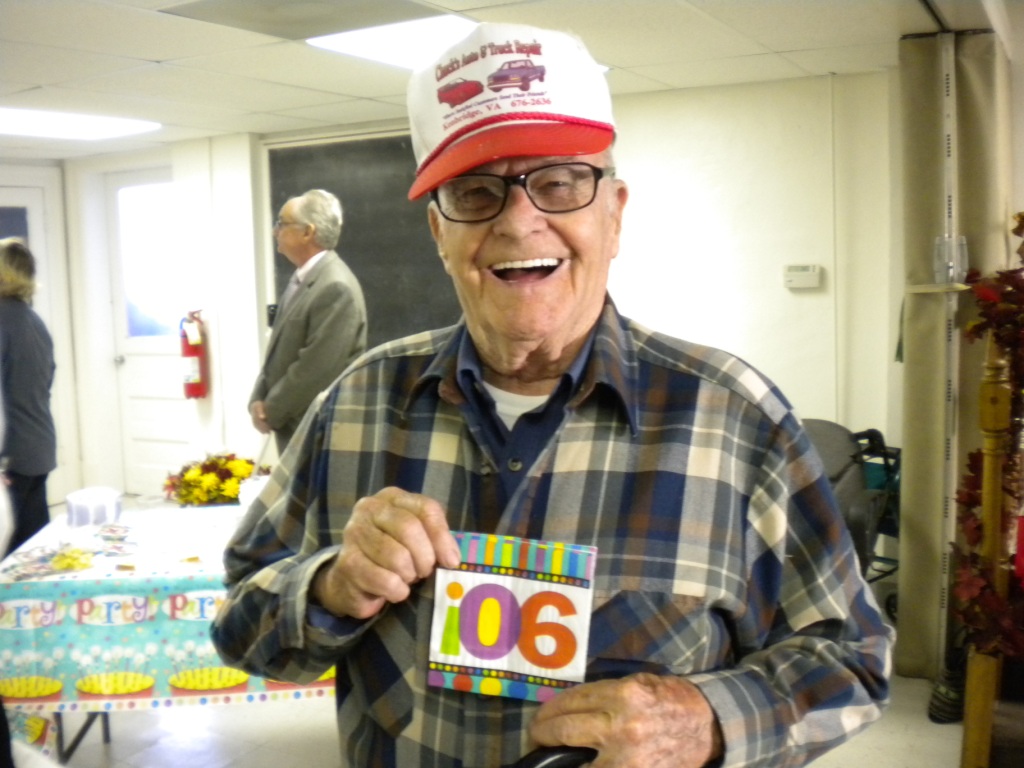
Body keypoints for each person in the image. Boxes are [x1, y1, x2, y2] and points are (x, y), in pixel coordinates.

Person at [213, 22, 893, 768]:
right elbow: (239, 622)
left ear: (614, 213)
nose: (518, 220)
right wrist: (330, 586)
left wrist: (706, 720)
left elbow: (852, 657)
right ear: (438, 232)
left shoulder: (736, 419)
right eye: (475, 192)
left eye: (560, 182)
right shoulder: (356, 406)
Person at [248, 189, 367, 455]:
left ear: (307, 232)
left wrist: (271, 409)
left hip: (318, 431)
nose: (275, 231)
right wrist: (258, 397)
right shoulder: (303, 279)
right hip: (297, 425)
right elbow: (279, 351)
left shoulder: (335, 286)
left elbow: (315, 368)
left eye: (282, 223)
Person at [0, 238, 56, 558]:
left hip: (11, 455)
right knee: (32, 547)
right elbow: (46, 381)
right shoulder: (34, 321)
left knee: (11, 549)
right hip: (38, 445)